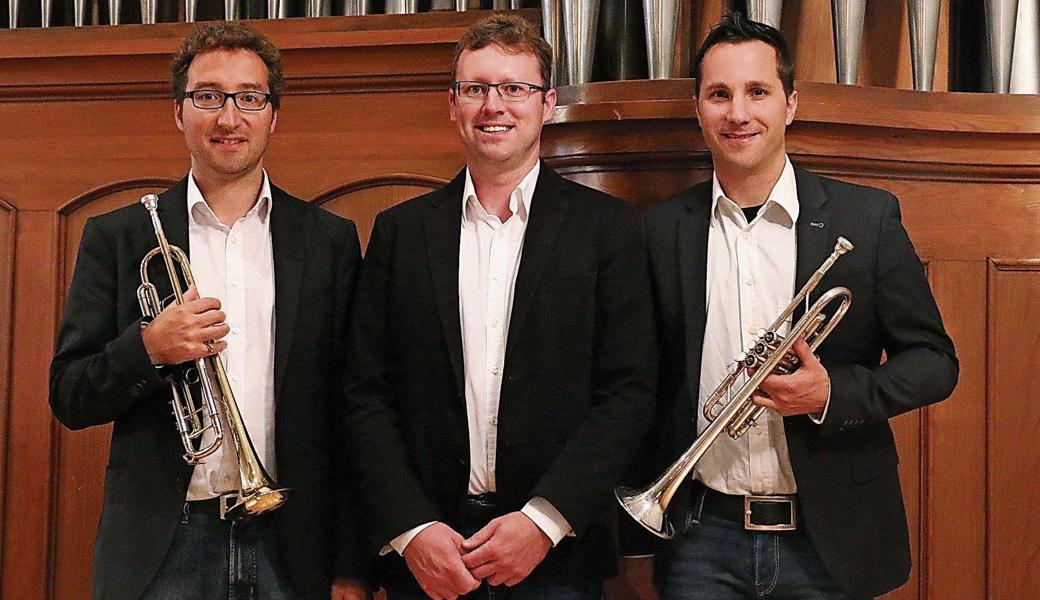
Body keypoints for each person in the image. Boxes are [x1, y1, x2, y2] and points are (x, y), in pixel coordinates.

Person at [620, 12, 959, 600]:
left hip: (828, 536)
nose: (738, 112)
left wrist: (833, 395)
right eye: (719, 94)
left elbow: (934, 362)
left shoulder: (866, 219)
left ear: (790, 104)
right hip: (700, 535)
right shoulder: (659, 231)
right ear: (698, 108)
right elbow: (636, 391)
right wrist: (637, 545)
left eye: (758, 91)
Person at [49, 22, 371, 600]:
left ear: (274, 114)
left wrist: (351, 563)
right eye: (208, 97)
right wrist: (146, 349)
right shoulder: (118, 236)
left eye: (249, 97)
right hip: (162, 545)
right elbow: (70, 395)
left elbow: (354, 405)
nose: (229, 117)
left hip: (292, 544)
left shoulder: (328, 241)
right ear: (179, 112)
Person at [342, 14, 657, 600]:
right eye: (477, 88)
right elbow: (365, 393)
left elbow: (629, 390)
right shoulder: (401, 233)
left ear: (547, 103)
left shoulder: (606, 230)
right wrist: (411, 530)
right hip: (431, 558)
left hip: (556, 557)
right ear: (454, 104)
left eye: (514, 88)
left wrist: (543, 521)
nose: (495, 106)